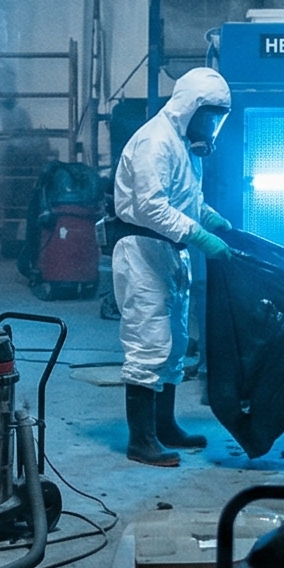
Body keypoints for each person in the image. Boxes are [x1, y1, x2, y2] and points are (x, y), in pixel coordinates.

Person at [109, 68, 235, 466]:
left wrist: (210, 219)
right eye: (209, 117)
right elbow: (150, 207)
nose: (211, 126)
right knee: (148, 342)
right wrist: (199, 234)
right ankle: (141, 439)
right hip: (143, 251)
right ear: (189, 107)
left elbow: (186, 199)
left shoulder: (184, 144)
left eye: (217, 119)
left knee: (175, 343)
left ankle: (164, 426)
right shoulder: (155, 140)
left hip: (172, 252)